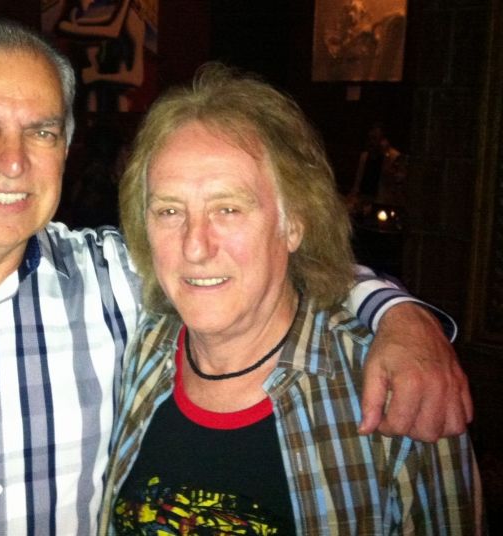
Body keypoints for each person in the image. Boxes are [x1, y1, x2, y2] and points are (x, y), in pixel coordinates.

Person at [0, 18, 470, 535]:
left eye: (40, 132)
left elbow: (259, 262)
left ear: (66, 149)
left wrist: (397, 315)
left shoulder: (110, 281)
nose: (12, 162)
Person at [101, 64, 482, 534]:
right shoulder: (131, 351)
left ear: (294, 223)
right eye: (169, 211)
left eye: (228, 209)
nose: (195, 247)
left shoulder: (398, 389)